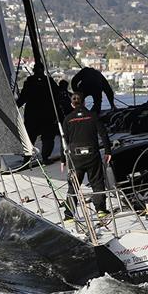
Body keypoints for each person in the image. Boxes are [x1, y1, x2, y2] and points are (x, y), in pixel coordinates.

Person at [60, 92, 112, 220]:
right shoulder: (92, 116)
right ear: (84, 102)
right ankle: (100, 210)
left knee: (73, 186)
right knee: (97, 182)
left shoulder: (67, 119)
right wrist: (108, 151)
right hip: (92, 155)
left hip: (76, 158)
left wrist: (62, 160)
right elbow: (103, 134)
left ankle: (69, 215)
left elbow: (64, 141)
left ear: (72, 104)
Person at [16, 63, 57, 164]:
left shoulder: (31, 82)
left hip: (34, 115)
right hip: (45, 115)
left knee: (32, 138)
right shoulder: (48, 81)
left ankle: (28, 159)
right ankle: (44, 158)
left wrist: (15, 106)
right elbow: (57, 96)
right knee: (45, 137)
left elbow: (23, 98)